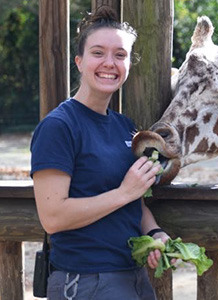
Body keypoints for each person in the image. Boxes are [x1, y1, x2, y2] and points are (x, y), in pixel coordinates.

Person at [31, 6, 170, 300]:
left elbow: (136, 199)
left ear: (129, 64)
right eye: (98, 53)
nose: (110, 63)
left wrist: (155, 233)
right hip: (84, 282)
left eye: (120, 55)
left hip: (133, 278)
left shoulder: (125, 127)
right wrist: (123, 192)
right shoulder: (59, 126)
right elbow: (53, 217)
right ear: (79, 62)